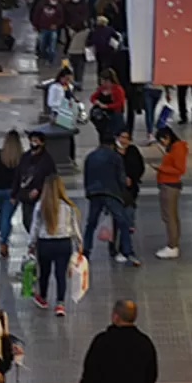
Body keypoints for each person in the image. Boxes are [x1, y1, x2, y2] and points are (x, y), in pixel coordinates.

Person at [81, 134, 138, 265]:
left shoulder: (90, 157)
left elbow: (86, 177)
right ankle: (128, 251)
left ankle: (86, 251)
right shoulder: (115, 157)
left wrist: (89, 192)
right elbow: (121, 178)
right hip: (112, 193)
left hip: (94, 193)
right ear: (113, 144)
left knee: (91, 223)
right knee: (123, 222)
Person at [30, 176, 82, 314]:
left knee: (45, 273)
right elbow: (74, 226)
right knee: (61, 274)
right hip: (63, 243)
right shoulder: (68, 207)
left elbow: (35, 226)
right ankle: (60, 304)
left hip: (45, 243)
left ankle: (43, 298)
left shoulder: (40, 206)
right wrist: (79, 243)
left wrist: (31, 243)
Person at [13, 129, 57, 236]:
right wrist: (14, 193)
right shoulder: (25, 157)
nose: (33, 143)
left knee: (37, 220)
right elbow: (18, 175)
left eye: (36, 141)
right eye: (32, 141)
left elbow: (51, 178)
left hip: (41, 196)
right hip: (26, 194)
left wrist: (39, 189)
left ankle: (36, 241)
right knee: (27, 220)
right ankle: (34, 239)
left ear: (42, 143)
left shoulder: (47, 160)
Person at [153, 126, 188, 260]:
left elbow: (180, 169)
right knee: (171, 216)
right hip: (168, 185)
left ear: (167, 137)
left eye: (162, 140)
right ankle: (173, 243)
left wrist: (161, 168)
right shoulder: (175, 148)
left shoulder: (178, 148)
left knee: (169, 216)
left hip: (170, 186)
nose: (162, 143)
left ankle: (172, 246)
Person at [114, 130, 144, 258]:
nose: (124, 141)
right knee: (117, 219)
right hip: (116, 191)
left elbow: (140, 167)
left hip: (130, 191)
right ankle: (116, 245)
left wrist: (132, 178)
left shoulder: (133, 151)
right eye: (122, 137)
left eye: (127, 138)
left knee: (127, 218)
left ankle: (124, 246)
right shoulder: (112, 152)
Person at [89, 69, 125, 141]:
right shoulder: (101, 89)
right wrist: (96, 102)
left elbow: (120, 104)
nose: (102, 83)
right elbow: (92, 97)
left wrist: (107, 106)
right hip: (103, 116)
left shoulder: (117, 89)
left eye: (103, 81)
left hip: (114, 115)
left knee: (113, 135)